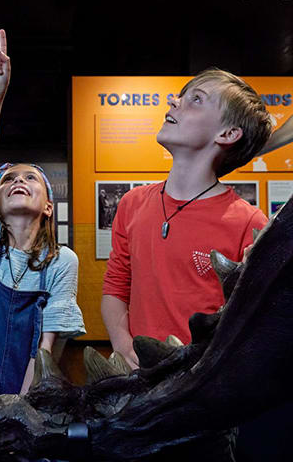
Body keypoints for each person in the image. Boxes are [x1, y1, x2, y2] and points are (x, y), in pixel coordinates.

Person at [101, 69, 272, 369]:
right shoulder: (132, 204)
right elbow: (116, 287)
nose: (174, 102)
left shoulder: (249, 223)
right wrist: (124, 346)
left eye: (196, 99)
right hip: (139, 379)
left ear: (227, 134)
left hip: (203, 386)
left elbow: (252, 321)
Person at [0, 29, 85, 395]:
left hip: (30, 387)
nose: (17, 181)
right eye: (8, 179)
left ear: (47, 207)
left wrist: (22, 404)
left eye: (30, 178)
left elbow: (48, 345)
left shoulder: (62, 261)